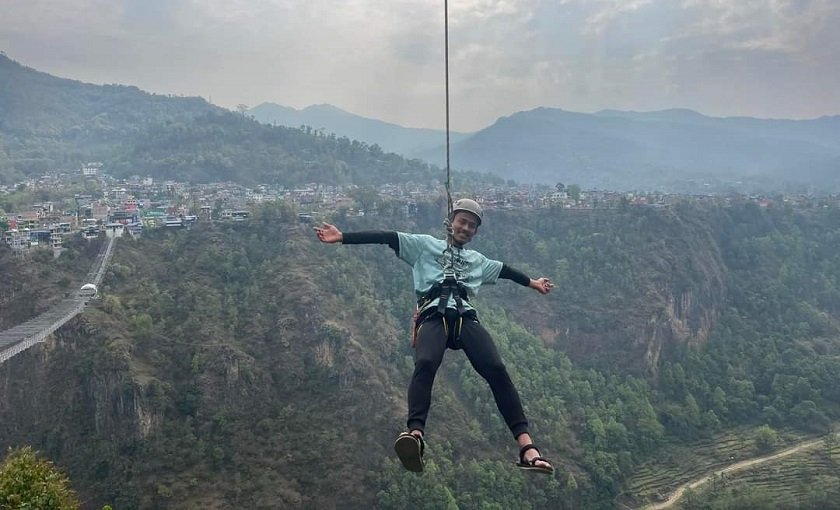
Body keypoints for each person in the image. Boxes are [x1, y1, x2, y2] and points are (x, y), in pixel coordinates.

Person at [315, 198, 554, 474]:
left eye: (471, 225)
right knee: (426, 362)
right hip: (432, 315)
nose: (465, 228)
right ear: (450, 222)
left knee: (497, 369)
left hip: (465, 317)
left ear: (475, 231)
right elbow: (386, 237)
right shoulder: (424, 245)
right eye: (462, 221)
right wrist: (342, 237)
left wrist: (534, 283)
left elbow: (506, 271)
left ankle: (527, 448)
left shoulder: (478, 261)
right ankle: (415, 434)